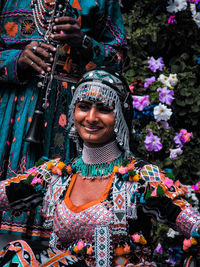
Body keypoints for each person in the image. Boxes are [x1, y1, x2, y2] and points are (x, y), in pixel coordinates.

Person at [0, 69, 200, 266]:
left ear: (121, 116)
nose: (91, 118)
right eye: (84, 107)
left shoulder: (139, 177)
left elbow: (193, 223)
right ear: (73, 112)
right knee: (17, 254)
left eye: (104, 109)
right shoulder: (55, 175)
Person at [0, 0, 127, 238]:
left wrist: (85, 44)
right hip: (9, 114)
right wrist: (14, 61)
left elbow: (119, 59)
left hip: (73, 119)